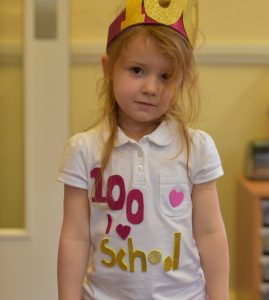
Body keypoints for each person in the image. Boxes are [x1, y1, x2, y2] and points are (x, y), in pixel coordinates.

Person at [57, 1, 229, 299]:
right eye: (137, 70)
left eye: (166, 76)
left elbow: (210, 233)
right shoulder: (83, 149)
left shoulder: (197, 149)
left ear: (182, 79)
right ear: (108, 68)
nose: (151, 87)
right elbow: (74, 236)